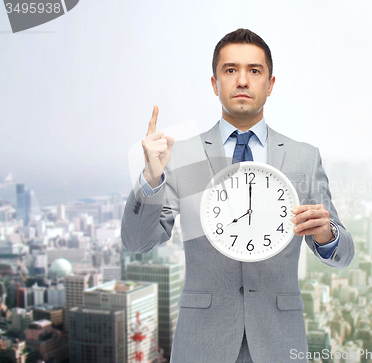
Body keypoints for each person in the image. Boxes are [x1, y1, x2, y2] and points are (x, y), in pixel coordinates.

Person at [121, 28, 354, 363]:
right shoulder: (185, 155)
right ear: (215, 84)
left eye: (254, 71)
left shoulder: (304, 157)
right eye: (230, 70)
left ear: (270, 84)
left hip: (278, 342)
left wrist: (326, 233)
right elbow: (137, 241)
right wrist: (151, 177)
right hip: (201, 343)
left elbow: (344, 254)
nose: (242, 81)